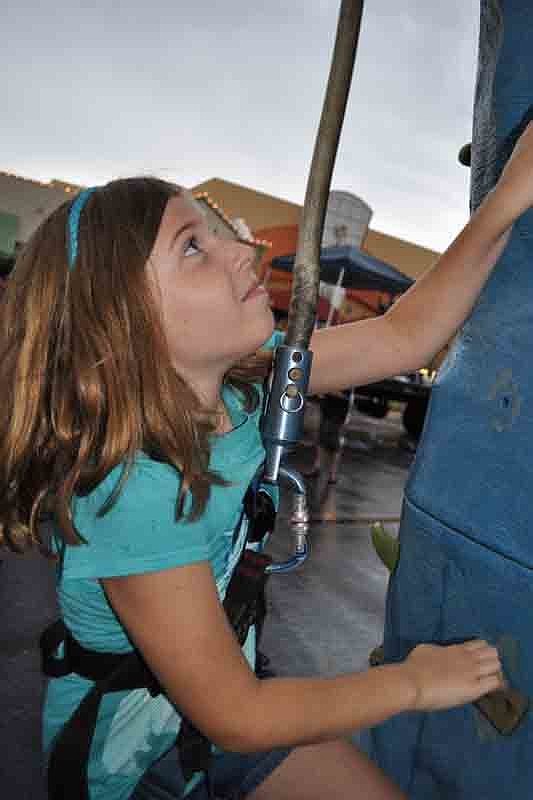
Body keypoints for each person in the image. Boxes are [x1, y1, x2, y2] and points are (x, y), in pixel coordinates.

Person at [4, 121, 533, 800]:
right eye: (192, 247)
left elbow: (404, 335)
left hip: (217, 705)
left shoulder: (247, 382)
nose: (240, 252)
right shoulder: (131, 490)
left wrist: (506, 199)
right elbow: (239, 716)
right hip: (135, 757)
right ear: (122, 320)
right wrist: (413, 682)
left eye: (215, 233)